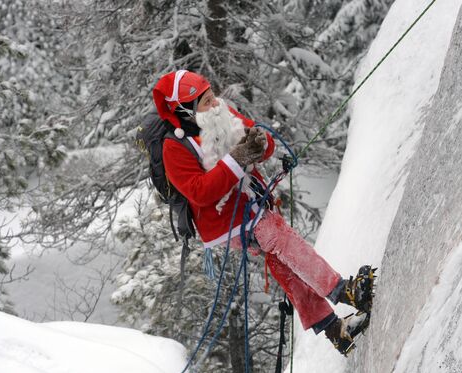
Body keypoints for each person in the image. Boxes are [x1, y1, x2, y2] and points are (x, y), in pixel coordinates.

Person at [152, 70, 374, 353]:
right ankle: (344, 290)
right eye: (206, 101)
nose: (215, 104)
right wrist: (238, 158)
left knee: (282, 259)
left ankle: (334, 329)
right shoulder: (174, 147)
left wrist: (260, 142)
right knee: (280, 238)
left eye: (212, 96)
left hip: (249, 205)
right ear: (186, 110)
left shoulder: (222, 115)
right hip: (223, 223)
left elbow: (261, 145)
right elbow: (200, 191)